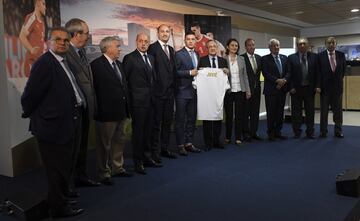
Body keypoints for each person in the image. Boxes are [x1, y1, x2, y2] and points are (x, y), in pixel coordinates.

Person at [21, 27, 84, 218]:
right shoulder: (45, 63)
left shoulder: (63, 62)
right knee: (56, 171)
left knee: (63, 168)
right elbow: (30, 96)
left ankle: (60, 199)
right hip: (52, 127)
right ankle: (59, 209)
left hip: (67, 123)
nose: (62, 43)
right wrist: (37, 116)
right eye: (58, 39)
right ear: (49, 42)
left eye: (65, 40)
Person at [91, 36, 133, 185]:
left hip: (121, 112)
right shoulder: (95, 66)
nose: (119, 49)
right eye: (117, 46)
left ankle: (117, 168)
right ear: (107, 48)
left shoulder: (119, 65)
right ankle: (104, 173)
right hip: (105, 113)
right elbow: (94, 91)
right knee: (104, 145)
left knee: (119, 141)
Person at [65, 18, 100, 188]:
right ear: (76, 34)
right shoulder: (65, 54)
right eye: (86, 33)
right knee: (73, 148)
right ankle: (69, 182)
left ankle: (81, 175)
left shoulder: (81, 52)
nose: (88, 36)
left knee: (83, 145)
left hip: (86, 109)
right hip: (74, 112)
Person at [123, 33, 162, 175]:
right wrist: (129, 102)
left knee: (149, 132)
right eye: (141, 41)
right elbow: (125, 82)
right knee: (138, 133)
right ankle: (137, 162)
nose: (144, 44)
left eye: (146, 41)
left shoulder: (151, 58)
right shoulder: (130, 58)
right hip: (137, 103)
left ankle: (147, 158)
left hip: (151, 101)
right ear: (136, 42)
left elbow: (153, 79)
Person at [148, 24, 177, 161]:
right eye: (162, 31)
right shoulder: (152, 48)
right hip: (158, 94)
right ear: (157, 33)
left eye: (167, 32)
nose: (165, 34)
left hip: (170, 94)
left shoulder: (171, 49)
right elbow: (151, 72)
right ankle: (154, 152)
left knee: (167, 123)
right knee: (156, 124)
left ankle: (164, 148)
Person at [197, 40, 229, 151]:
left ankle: (216, 140)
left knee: (218, 118)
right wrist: (200, 72)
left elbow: (226, 77)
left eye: (214, 46)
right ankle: (208, 143)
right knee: (207, 118)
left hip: (218, 95)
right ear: (207, 48)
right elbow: (199, 76)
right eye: (210, 46)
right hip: (206, 95)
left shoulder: (223, 61)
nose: (212, 48)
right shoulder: (202, 60)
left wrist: (226, 72)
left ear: (217, 48)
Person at [175, 31, 202, 156]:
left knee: (191, 119)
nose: (191, 41)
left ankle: (189, 143)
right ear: (185, 41)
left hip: (194, 92)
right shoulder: (178, 54)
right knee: (180, 120)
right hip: (182, 92)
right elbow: (175, 72)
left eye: (193, 39)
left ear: (195, 41)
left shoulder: (197, 54)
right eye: (188, 39)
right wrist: (189, 73)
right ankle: (180, 145)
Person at [288, 37, 319, 139]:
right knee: (296, 113)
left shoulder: (314, 57)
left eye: (304, 44)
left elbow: (317, 74)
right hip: (296, 90)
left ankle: (310, 132)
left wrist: (317, 86)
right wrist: (291, 87)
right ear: (297, 46)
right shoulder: (291, 57)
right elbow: (289, 74)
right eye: (299, 44)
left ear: (307, 45)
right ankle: (297, 132)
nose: (302, 45)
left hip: (309, 89)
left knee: (310, 112)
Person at [317, 36, 346, 138]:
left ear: (336, 44)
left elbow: (342, 71)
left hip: (337, 89)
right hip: (324, 89)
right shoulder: (320, 56)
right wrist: (318, 86)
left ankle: (338, 131)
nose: (331, 44)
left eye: (333, 43)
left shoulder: (341, 55)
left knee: (338, 112)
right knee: (324, 112)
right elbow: (318, 73)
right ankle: (323, 131)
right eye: (329, 43)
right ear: (325, 44)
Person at [223, 38, 251, 145]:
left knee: (239, 115)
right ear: (227, 47)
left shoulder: (241, 59)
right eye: (232, 45)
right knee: (229, 115)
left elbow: (245, 76)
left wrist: (248, 90)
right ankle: (228, 137)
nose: (234, 47)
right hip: (229, 91)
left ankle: (238, 137)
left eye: (236, 46)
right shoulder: (223, 59)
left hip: (240, 90)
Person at [262, 38, 290, 141]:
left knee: (279, 113)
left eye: (277, 45)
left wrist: (284, 80)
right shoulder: (265, 59)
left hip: (282, 90)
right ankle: (270, 133)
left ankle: (278, 132)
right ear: (270, 48)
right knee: (271, 113)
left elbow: (288, 72)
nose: (276, 47)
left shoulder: (284, 58)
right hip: (271, 91)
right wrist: (277, 81)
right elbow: (266, 74)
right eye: (274, 46)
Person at [241, 38, 263, 141]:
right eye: (249, 45)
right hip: (246, 91)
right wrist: (245, 89)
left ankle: (254, 132)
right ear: (246, 47)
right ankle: (245, 133)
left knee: (255, 112)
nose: (252, 47)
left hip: (257, 90)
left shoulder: (259, 58)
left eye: (253, 45)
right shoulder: (241, 58)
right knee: (245, 112)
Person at [19, 0, 46, 77]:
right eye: (43, 4)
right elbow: (22, 36)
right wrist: (31, 49)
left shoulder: (41, 22)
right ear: (37, 4)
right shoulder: (32, 18)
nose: (45, 7)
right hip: (32, 63)